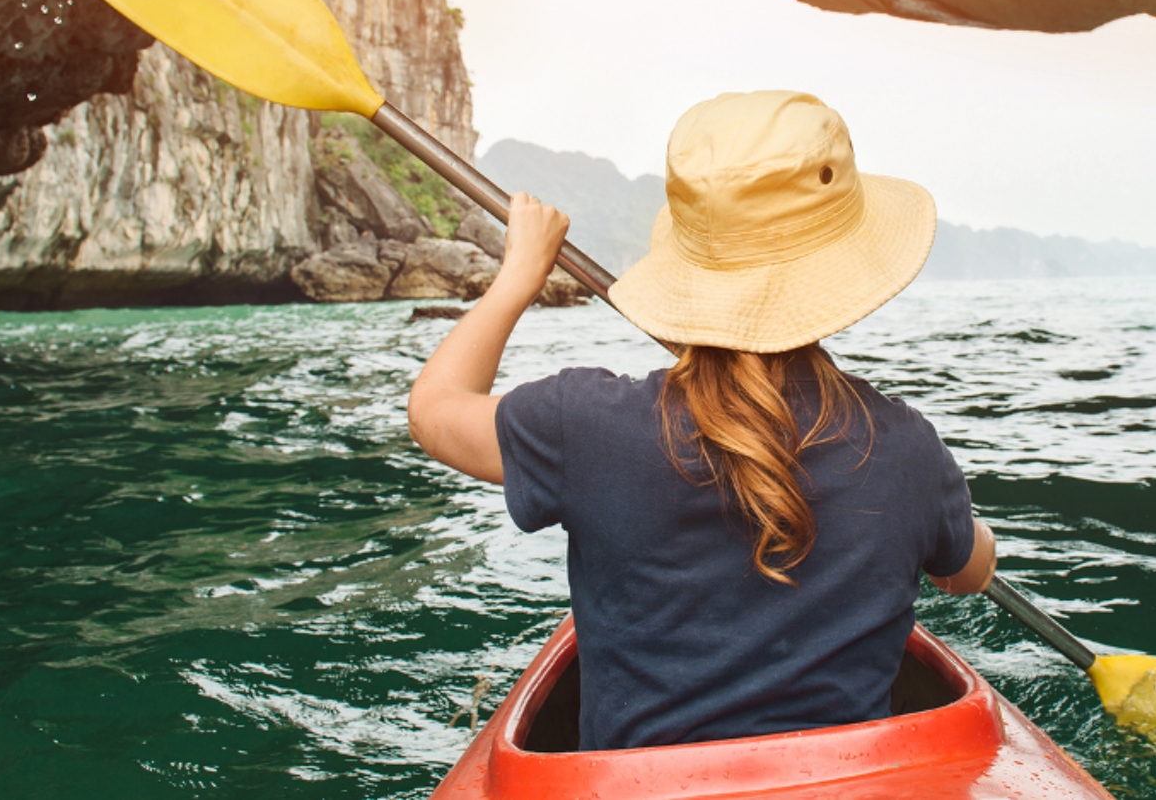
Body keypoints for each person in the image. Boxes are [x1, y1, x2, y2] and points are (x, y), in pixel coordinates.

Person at [407, 89, 996, 752]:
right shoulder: (909, 449)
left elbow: (433, 410)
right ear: (846, 263)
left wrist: (519, 274)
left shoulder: (582, 424)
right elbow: (967, 574)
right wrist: (941, 514)